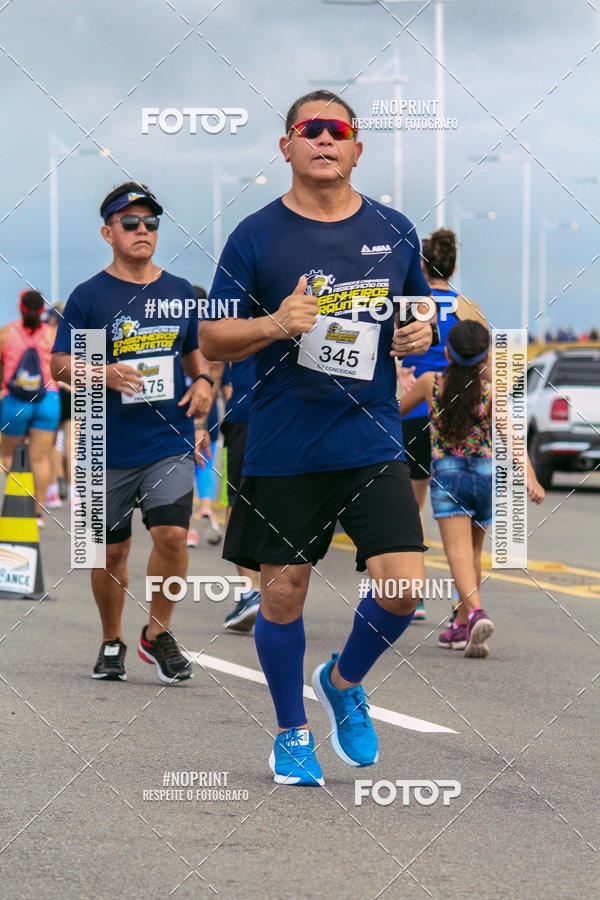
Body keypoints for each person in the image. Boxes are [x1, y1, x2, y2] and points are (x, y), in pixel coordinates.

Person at [199, 89, 436, 785]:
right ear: (288, 147)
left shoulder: (395, 231)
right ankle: (291, 732)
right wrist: (275, 323)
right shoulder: (255, 236)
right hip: (284, 442)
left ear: (358, 148)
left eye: (339, 130)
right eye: (311, 129)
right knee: (282, 593)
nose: (325, 139)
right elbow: (212, 335)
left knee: (403, 586)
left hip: (369, 437)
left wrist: (421, 335)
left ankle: (342, 678)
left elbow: (416, 314)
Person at [52, 182, 213, 684]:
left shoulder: (180, 291)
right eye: (130, 223)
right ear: (108, 232)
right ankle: (111, 639)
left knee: (170, 533)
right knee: (111, 551)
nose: (143, 230)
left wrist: (204, 382)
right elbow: (58, 365)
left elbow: (194, 352)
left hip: (168, 440)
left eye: (151, 223)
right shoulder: (90, 297)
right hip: (106, 444)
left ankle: (157, 634)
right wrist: (103, 373)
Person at [400, 320, 545, 657]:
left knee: (457, 554)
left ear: (447, 352)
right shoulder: (490, 391)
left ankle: (477, 612)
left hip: (449, 477)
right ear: (485, 357)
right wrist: (530, 477)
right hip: (484, 477)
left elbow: (393, 414)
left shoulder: (429, 383)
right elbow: (511, 436)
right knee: (474, 554)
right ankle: (462, 625)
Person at [399, 228, 487, 621]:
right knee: (467, 518)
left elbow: (392, 353)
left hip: (419, 408)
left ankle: (413, 595)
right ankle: (464, 609)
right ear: (453, 265)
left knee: (412, 509)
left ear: (421, 265)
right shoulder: (469, 308)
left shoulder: (411, 306)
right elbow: (487, 362)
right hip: (461, 416)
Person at [0, 290, 61, 525]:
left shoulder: (7, 332)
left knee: (7, 455)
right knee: (41, 458)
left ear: (20, 307)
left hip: (15, 400)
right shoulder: (53, 334)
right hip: (48, 400)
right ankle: (36, 513)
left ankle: (19, 502)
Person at [220, 358, 261, 632]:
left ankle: (251, 592)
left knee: (236, 500)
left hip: (245, 412)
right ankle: (276, 591)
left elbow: (212, 366)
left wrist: (200, 423)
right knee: (285, 502)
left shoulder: (235, 314)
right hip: (292, 415)